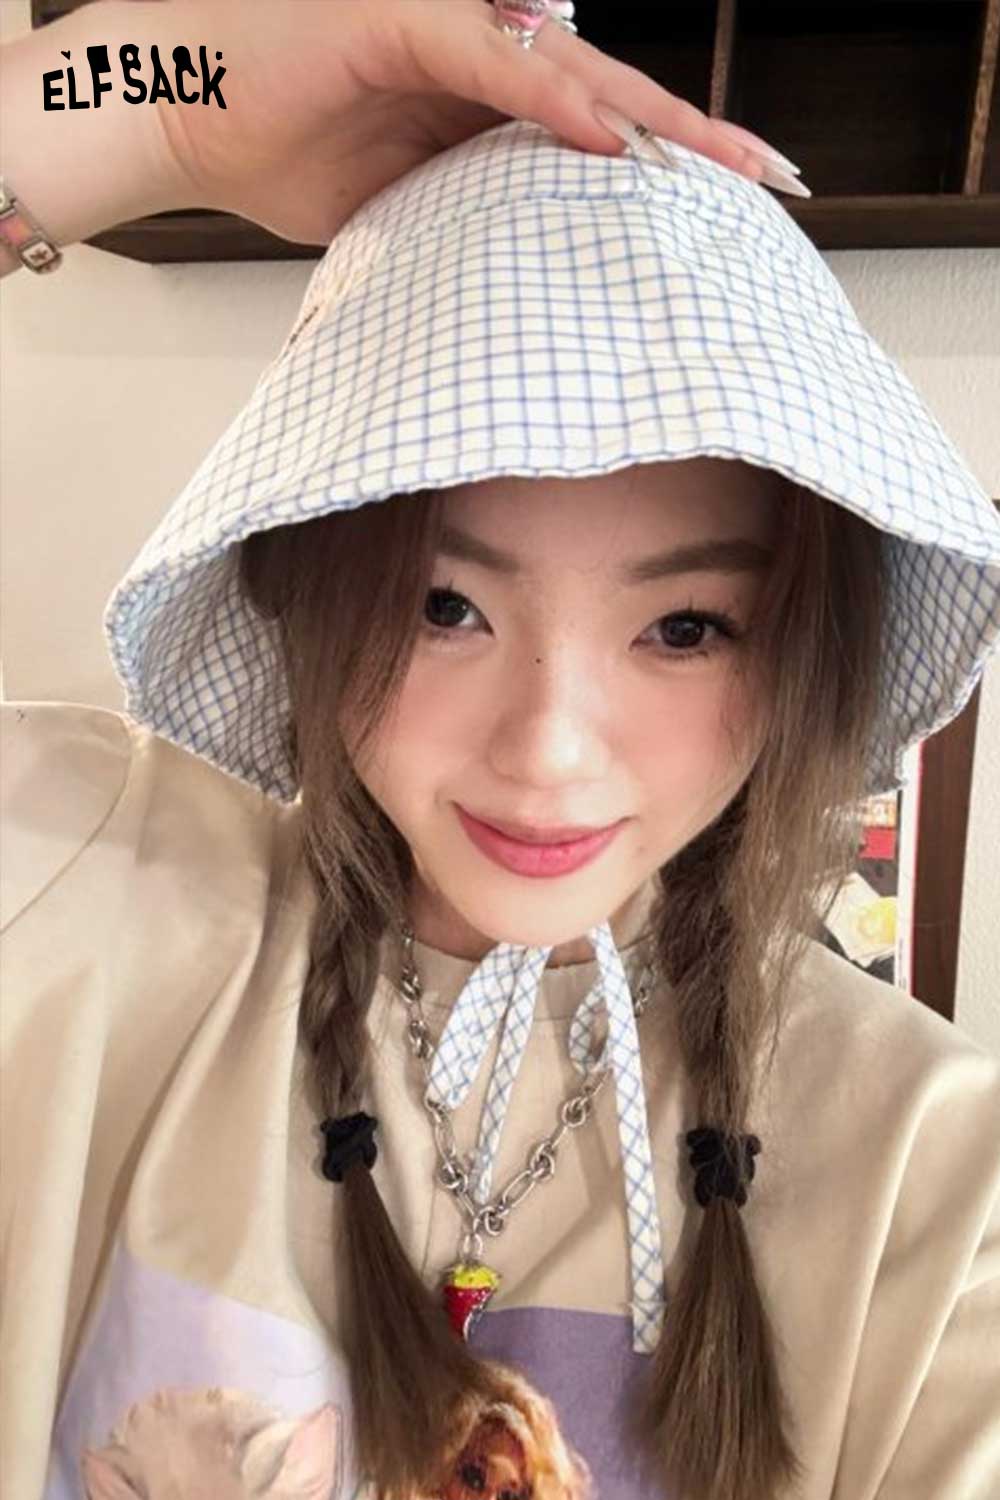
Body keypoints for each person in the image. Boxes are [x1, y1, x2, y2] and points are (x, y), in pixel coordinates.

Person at [2, 4, 998, 1500]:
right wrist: (162, 102)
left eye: (686, 627)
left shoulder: (935, 1178)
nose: (548, 750)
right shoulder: (80, 889)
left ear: (798, 646)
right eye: (445, 605)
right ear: (306, 587)